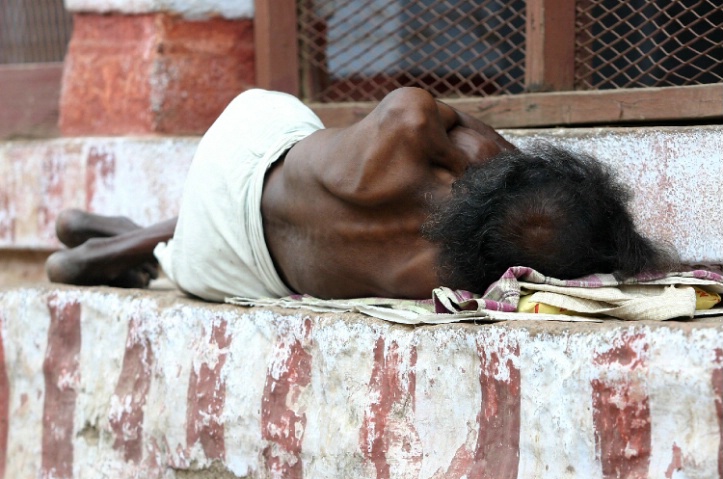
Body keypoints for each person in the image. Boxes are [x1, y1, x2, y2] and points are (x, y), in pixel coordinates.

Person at [45, 88, 672, 301]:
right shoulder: (449, 278)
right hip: (224, 265)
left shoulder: (412, 121)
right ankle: (132, 241)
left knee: (284, 168)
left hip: (236, 153)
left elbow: (514, 170)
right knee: (254, 227)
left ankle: (118, 233)